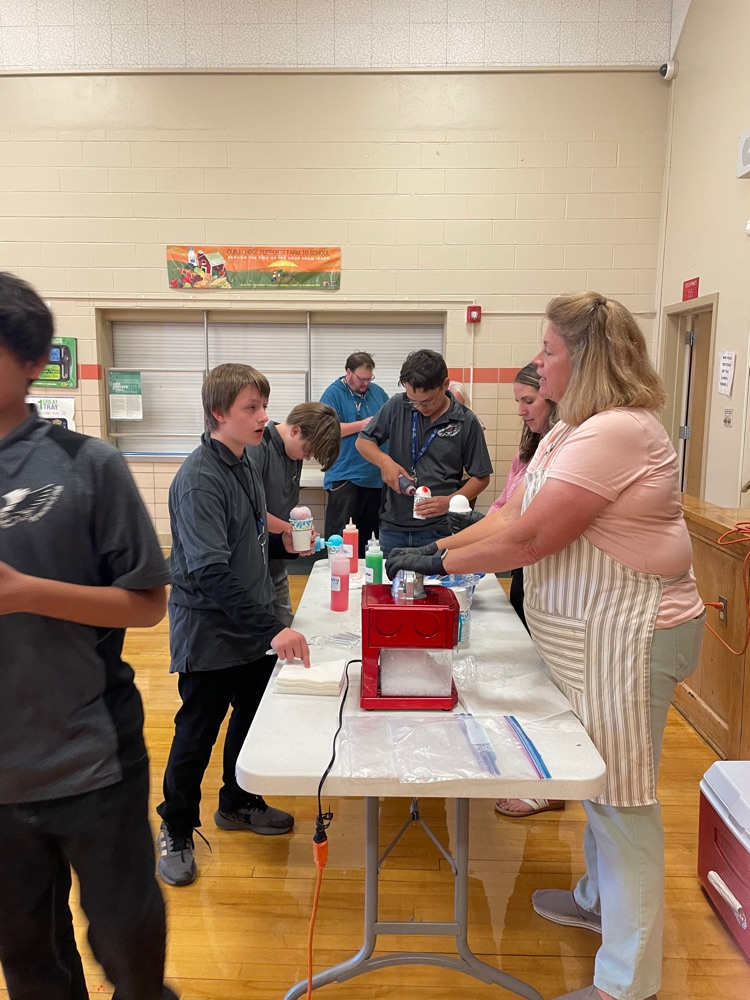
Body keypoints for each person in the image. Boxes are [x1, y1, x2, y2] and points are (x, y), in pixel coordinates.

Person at [385, 292, 705, 1000]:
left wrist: (435, 565)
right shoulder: (571, 430)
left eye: (550, 349)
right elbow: (509, 515)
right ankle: (597, 900)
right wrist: (433, 548)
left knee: (622, 803)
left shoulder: (617, 431)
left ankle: (627, 984)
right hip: (596, 640)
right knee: (598, 783)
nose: (538, 360)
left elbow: (529, 541)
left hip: (631, 638)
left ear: (584, 358)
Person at [0, 273, 177, 1000]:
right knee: (27, 960)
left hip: (89, 758)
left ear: (34, 359)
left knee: (128, 943)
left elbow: (147, 605)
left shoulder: (86, 465)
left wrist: (23, 593)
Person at [157, 363, 311, 888]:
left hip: (248, 622)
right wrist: (272, 628)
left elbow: (248, 533)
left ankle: (238, 802)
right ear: (219, 413)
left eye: (265, 406)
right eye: (252, 408)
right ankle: (175, 828)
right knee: (196, 732)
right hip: (210, 629)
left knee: (251, 717)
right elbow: (208, 571)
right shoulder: (199, 479)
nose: (264, 418)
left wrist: (284, 541)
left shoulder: (244, 462)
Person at [356, 348, 492, 556]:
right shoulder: (398, 406)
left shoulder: (465, 420)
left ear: (445, 385)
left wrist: (450, 502)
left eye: (428, 401)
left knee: (436, 587)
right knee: (389, 587)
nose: (420, 407)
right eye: (414, 400)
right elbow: (363, 441)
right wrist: (384, 462)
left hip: (439, 530)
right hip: (393, 528)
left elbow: (481, 477)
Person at [249, 401, 340, 626]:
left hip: (276, 557)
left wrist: (302, 529)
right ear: (295, 430)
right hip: (252, 561)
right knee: (263, 634)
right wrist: (294, 530)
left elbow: (287, 507)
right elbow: (252, 511)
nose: (307, 457)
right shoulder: (258, 447)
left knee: (285, 625)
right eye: (308, 450)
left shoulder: (293, 454)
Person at [319, 351, 389, 556]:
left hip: (374, 477)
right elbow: (326, 429)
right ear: (348, 372)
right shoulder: (333, 394)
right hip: (345, 475)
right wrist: (362, 425)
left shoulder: (378, 393)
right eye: (361, 378)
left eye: (369, 378)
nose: (366, 383)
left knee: (370, 539)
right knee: (340, 538)